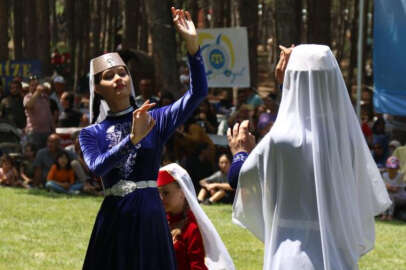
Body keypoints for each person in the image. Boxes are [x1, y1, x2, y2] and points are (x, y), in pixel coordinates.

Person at [227, 45, 391, 270]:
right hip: (337, 257)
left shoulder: (280, 139)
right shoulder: (346, 138)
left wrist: (240, 153)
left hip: (289, 255)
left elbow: (239, 180)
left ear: (294, 82)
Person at [79, 8, 207, 269]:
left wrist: (193, 47)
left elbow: (197, 93)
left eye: (122, 72)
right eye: (109, 76)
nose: (118, 79)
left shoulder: (155, 118)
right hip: (115, 218)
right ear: (97, 88)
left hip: (150, 216)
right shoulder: (91, 133)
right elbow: (96, 167)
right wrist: (132, 140)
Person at [157, 163, 235, 270]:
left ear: (182, 193)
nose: (160, 198)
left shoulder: (191, 227)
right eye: (158, 193)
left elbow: (196, 265)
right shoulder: (159, 221)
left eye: (166, 193)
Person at [23, 78, 54, 149]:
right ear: (29, 87)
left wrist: (53, 130)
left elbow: (49, 115)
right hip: (34, 132)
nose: (34, 87)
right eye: (32, 85)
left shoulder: (45, 98)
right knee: (34, 152)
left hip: (47, 131)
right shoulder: (28, 97)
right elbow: (28, 106)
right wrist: (37, 92)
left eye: (36, 85)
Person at [381, 156, 406, 221]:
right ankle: (384, 214)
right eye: (390, 167)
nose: (391, 169)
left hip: (401, 197)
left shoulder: (400, 176)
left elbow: (395, 190)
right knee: (387, 196)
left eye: (393, 168)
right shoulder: (385, 175)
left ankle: (389, 215)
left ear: (397, 168)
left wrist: (388, 186)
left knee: (390, 196)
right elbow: (384, 188)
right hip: (390, 196)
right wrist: (389, 187)